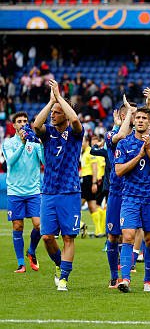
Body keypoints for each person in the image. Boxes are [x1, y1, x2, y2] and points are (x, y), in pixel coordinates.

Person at [32, 79, 84, 291]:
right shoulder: (48, 134)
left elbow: (76, 120)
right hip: (49, 192)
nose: (52, 115)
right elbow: (35, 125)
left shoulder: (74, 134)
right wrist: (51, 101)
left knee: (68, 237)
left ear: (64, 113)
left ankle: (64, 277)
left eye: (56, 112)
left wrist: (61, 99)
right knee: (46, 237)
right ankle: (59, 264)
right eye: (52, 112)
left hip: (70, 192)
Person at [115, 107, 150, 293]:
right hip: (130, 197)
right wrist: (139, 155)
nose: (140, 120)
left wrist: (148, 152)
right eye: (137, 117)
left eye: (144, 118)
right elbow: (119, 171)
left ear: (149, 123)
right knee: (128, 236)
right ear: (133, 121)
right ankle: (125, 279)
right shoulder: (124, 144)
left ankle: (148, 281)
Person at [2, 112, 44, 273]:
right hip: (15, 191)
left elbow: (45, 162)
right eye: (19, 121)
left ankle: (31, 251)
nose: (22, 123)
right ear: (13, 125)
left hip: (33, 191)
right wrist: (22, 142)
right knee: (18, 226)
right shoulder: (8, 143)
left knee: (40, 225)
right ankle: (21, 263)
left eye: (25, 121)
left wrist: (40, 144)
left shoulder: (34, 143)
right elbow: (11, 162)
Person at [103, 103, 137, 288]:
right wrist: (119, 124)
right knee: (113, 237)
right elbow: (120, 135)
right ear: (123, 116)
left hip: (135, 191)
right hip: (117, 191)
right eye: (132, 114)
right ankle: (114, 275)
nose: (135, 117)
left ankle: (142, 276)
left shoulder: (139, 137)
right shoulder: (110, 135)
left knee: (135, 235)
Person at [80, 134, 105, 237]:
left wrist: (94, 183)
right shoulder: (84, 153)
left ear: (86, 142)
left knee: (76, 206)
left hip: (88, 180)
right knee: (92, 206)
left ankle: (81, 225)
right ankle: (99, 230)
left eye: (82, 141)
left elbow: (94, 167)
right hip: (85, 180)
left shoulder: (90, 152)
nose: (81, 143)